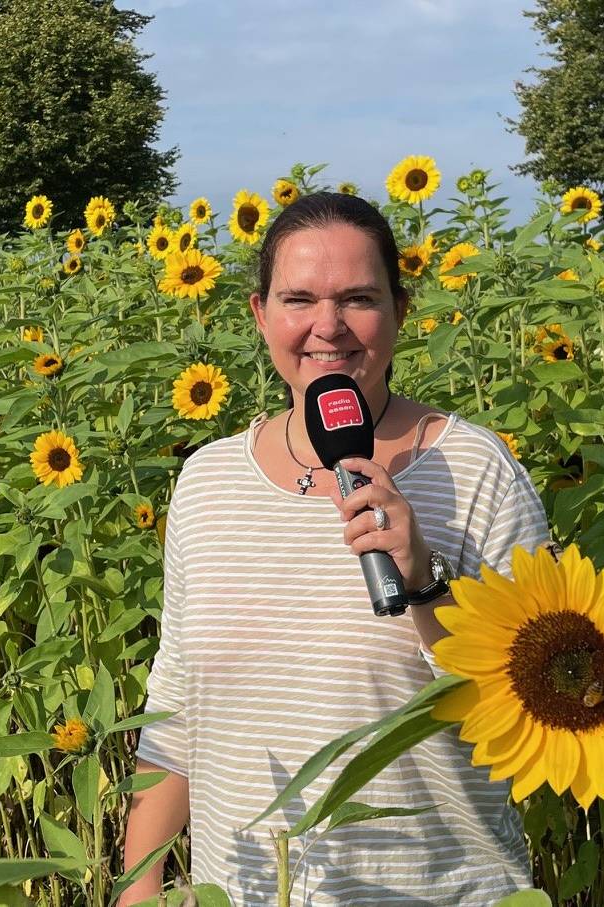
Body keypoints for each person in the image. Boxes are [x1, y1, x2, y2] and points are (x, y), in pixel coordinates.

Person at [114, 193, 550, 906]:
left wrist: (425, 584)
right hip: (250, 891)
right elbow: (176, 706)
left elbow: (534, 711)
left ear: (400, 312)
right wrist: (137, 891)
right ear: (260, 316)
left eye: (358, 298)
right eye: (299, 299)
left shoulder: (477, 471)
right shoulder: (207, 481)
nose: (328, 326)